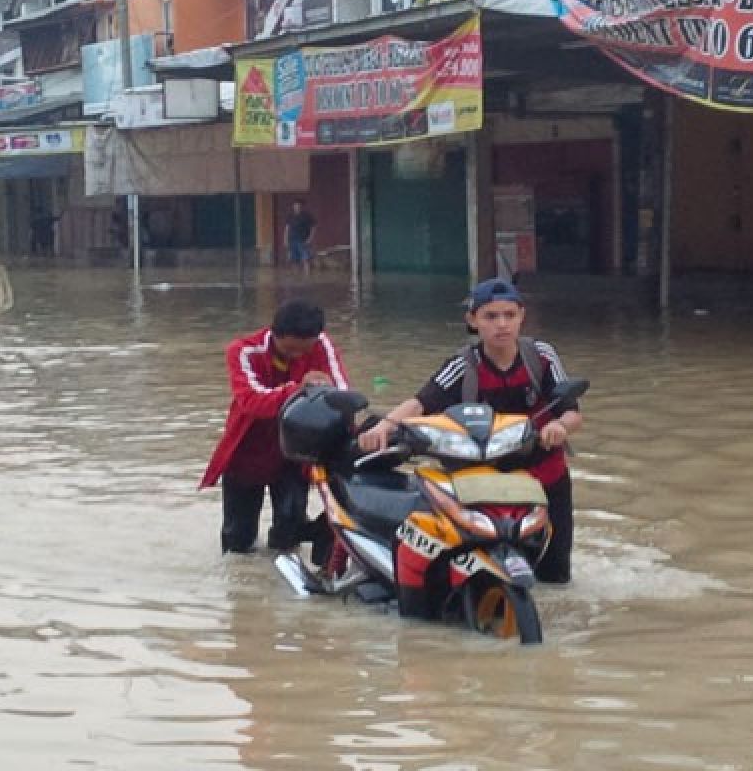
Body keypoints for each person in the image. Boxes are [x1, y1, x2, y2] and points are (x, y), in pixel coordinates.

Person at [359, 278, 583, 584]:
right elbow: (421, 403)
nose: (501, 325)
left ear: (522, 316)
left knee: (557, 576)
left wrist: (559, 426)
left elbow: (571, 411)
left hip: (545, 476)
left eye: (509, 315)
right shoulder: (463, 366)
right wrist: (384, 427)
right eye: (491, 316)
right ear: (472, 321)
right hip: (482, 482)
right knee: (476, 569)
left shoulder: (541, 357)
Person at [201, 299, 350, 556]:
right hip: (248, 452)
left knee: (289, 533)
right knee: (237, 542)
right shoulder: (243, 351)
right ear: (275, 334)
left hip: (294, 453)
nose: (299, 357)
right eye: (291, 350)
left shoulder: (321, 344)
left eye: (305, 351)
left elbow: (342, 393)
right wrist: (301, 389)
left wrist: (323, 392)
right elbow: (251, 401)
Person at [283, 199, 316, 276]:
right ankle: (296, 277)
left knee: (306, 259)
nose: (297, 207)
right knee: (294, 260)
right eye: (295, 205)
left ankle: (307, 277)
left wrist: (310, 239)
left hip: (303, 240)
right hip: (292, 240)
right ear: (293, 206)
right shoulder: (290, 216)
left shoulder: (307, 216)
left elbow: (314, 228)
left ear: (302, 206)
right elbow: (287, 228)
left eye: (298, 205)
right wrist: (285, 239)